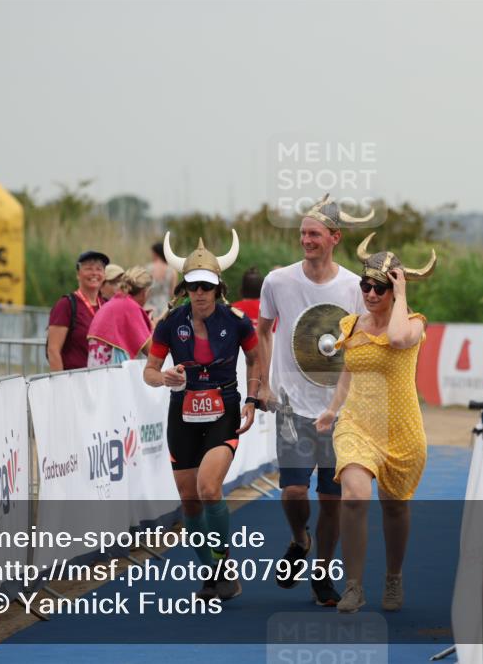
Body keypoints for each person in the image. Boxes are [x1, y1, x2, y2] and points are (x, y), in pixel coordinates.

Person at [256, 194, 372, 607]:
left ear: (335, 238)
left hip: (339, 410)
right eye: (303, 233)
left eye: (315, 234)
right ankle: (299, 539)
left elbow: (360, 345)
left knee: (331, 499)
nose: (306, 240)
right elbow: (263, 331)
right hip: (291, 407)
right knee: (292, 492)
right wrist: (263, 385)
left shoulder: (354, 288)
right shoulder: (277, 281)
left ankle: (322, 572)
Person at [315, 234, 436, 613]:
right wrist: (332, 410)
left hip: (400, 428)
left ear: (393, 290)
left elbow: (396, 338)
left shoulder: (413, 325)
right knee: (354, 495)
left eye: (378, 288)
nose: (369, 293)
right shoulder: (351, 325)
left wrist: (401, 294)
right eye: (365, 285)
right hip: (357, 424)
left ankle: (393, 577)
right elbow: (348, 374)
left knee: (395, 508)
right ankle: (353, 586)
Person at [143, 229, 260, 602]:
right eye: (193, 286)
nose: (200, 293)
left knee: (209, 488)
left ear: (218, 288)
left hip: (224, 408)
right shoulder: (169, 322)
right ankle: (211, 574)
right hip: (183, 413)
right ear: (184, 289)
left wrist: (253, 397)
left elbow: (255, 357)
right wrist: (164, 377)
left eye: (207, 287)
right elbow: (149, 371)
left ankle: (223, 567)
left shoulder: (237, 320)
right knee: (189, 499)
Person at [47, 251, 108, 371]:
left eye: (99, 269)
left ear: (104, 275)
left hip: (101, 377)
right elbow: (53, 350)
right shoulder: (66, 305)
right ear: (78, 274)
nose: (94, 273)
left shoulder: (106, 306)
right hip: (75, 378)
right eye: (88, 268)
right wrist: (60, 380)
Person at [87, 266, 154, 366]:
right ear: (145, 292)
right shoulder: (130, 307)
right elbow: (151, 351)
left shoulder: (116, 302)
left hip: (97, 369)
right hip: (109, 370)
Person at [146, 242, 177, 319]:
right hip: (165, 307)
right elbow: (173, 293)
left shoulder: (148, 268)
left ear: (155, 254)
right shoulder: (172, 270)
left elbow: (146, 291)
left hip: (150, 307)